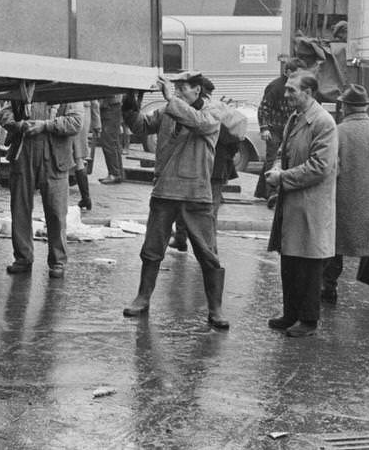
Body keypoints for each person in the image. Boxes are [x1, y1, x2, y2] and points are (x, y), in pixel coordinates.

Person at [122, 72, 229, 330]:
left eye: (183, 88)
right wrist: (130, 103)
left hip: (196, 192)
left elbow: (200, 124)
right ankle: (143, 297)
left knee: (207, 253)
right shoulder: (169, 110)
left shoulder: (212, 111)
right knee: (152, 248)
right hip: (166, 189)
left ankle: (215, 308)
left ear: (197, 90)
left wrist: (172, 99)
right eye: (176, 88)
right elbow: (141, 126)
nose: (177, 91)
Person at [263, 70, 337, 338]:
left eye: (291, 90)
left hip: (310, 207)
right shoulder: (295, 118)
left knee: (308, 264)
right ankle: (291, 313)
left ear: (308, 92)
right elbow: (283, 153)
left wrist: (282, 178)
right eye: (286, 89)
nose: (286, 94)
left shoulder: (323, 122)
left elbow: (320, 167)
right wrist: (276, 168)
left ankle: (308, 320)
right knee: (291, 261)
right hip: (293, 204)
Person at [322, 84, 369, 315]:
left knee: (333, 250)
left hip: (342, 204)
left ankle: (328, 290)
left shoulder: (337, 132)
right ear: (365, 106)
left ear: (345, 106)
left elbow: (331, 170)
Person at [0, 98, 82, 279]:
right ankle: (23, 258)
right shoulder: (25, 89)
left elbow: (76, 122)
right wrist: (20, 125)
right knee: (20, 208)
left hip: (55, 157)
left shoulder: (67, 91)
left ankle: (58, 260)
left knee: (56, 212)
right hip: (23, 153)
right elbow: (4, 114)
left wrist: (45, 126)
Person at [169, 76, 245, 254]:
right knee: (206, 209)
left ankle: (205, 249)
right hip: (217, 168)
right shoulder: (220, 110)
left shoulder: (209, 112)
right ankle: (196, 244)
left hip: (208, 167)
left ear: (199, 90)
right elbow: (234, 143)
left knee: (196, 207)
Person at [255, 58, 302, 202]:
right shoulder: (275, 86)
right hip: (274, 129)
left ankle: (263, 190)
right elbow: (263, 108)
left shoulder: (297, 87)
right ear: (287, 72)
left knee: (278, 159)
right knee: (272, 158)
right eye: (296, 72)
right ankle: (272, 193)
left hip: (289, 128)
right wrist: (264, 128)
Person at [70, 100, 99, 211]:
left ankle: (86, 198)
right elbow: (94, 102)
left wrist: (97, 122)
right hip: (84, 114)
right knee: (78, 158)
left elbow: (95, 101)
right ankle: (86, 198)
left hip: (74, 115)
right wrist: (97, 123)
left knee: (76, 157)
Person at [97, 93, 125, 184]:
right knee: (113, 142)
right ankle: (117, 173)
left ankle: (114, 174)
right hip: (112, 106)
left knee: (108, 142)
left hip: (110, 106)